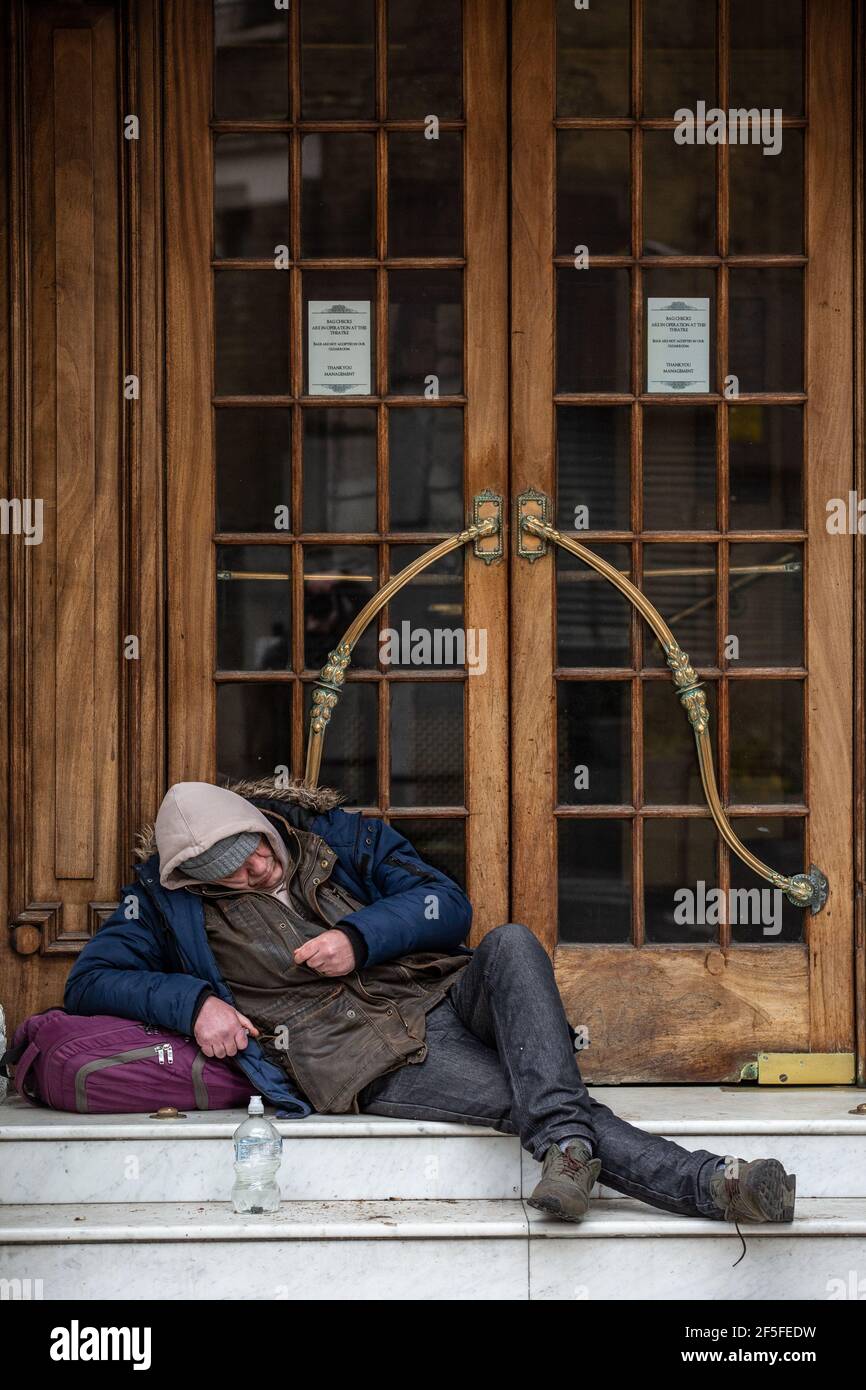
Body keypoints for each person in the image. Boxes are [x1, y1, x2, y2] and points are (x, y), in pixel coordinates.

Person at [64, 778, 796, 1231]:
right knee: (540, 1099)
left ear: (258, 821)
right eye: (226, 874)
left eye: (251, 852)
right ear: (193, 877)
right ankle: (712, 1183)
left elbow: (445, 903)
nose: (252, 873)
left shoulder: (335, 836)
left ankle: (570, 1142)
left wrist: (359, 937)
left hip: (439, 992)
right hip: (362, 1056)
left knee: (509, 941)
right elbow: (91, 980)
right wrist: (193, 1002)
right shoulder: (164, 906)